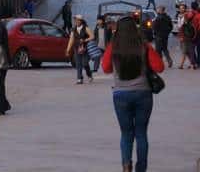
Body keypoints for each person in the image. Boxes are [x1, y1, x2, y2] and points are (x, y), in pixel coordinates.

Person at [102, 16, 164, 172]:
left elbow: (106, 68)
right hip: (143, 93)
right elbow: (159, 67)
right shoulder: (143, 46)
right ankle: (141, 169)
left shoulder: (113, 46)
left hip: (121, 94)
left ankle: (126, 166)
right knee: (141, 133)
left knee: (126, 133)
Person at [66, 14, 94, 84]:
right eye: (75, 20)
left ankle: (89, 74)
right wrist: (68, 49)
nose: (76, 21)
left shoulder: (86, 28)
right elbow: (71, 40)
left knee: (85, 63)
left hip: (85, 48)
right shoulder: (73, 29)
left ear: (81, 21)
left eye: (78, 20)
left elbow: (92, 36)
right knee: (78, 64)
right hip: (76, 48)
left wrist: (84, 40)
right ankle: (79, 78)